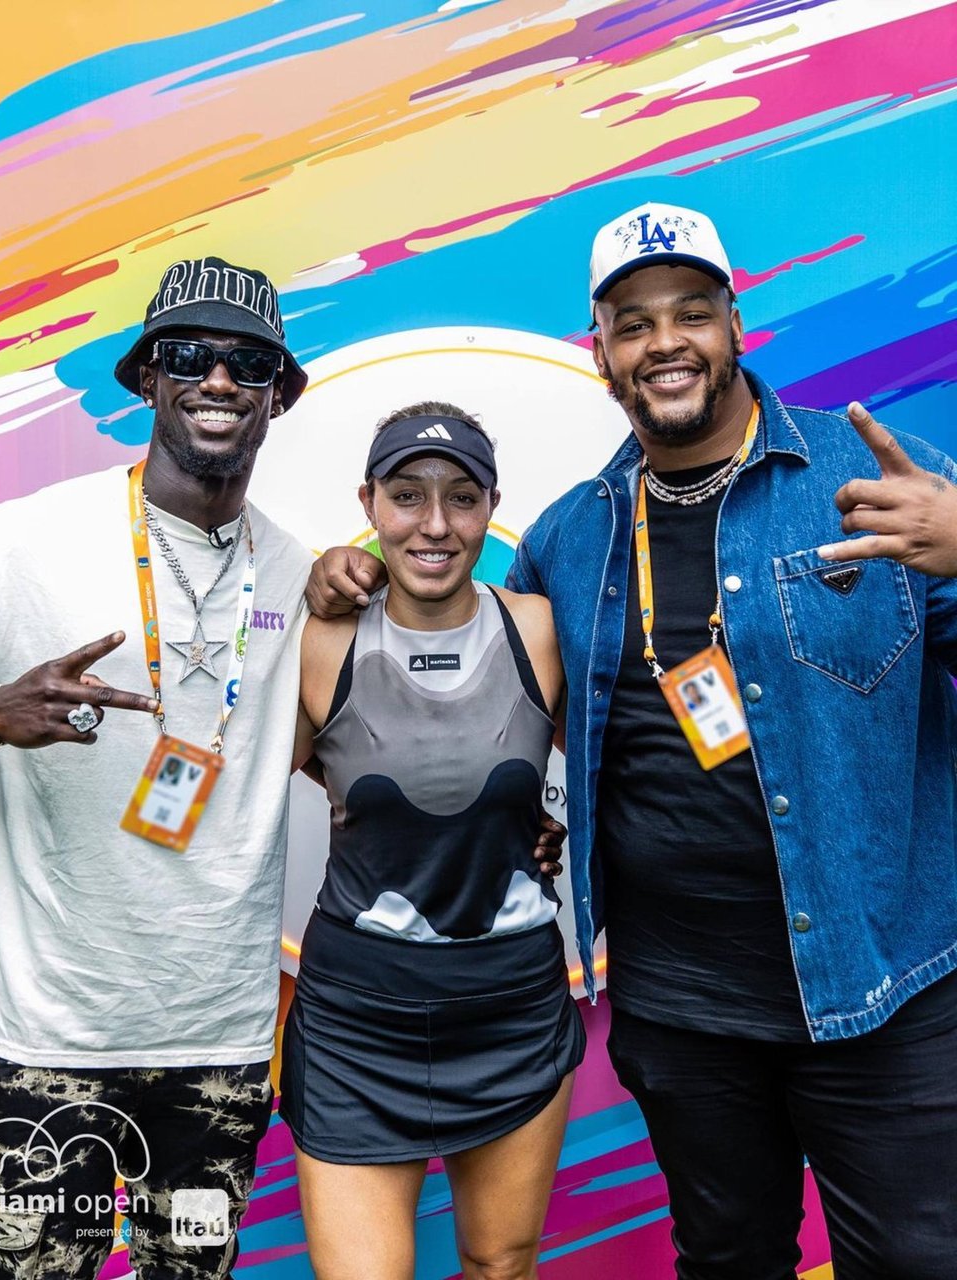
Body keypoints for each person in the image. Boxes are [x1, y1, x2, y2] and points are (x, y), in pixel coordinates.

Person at [305, 203, 957, 1279]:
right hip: (680, 1007)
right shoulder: (570, 534)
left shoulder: (873, 475)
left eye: (690, 313)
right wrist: (345, 576)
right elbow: (468, 691)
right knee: (724, 1259)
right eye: (633, 322)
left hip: (880, 992)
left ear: (734, 323)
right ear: (600, 351)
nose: (665, 342)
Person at [0, 256, 316, 1280]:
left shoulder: (305, 573)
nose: (219, 381)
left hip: (217, 1044)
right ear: (146, 378)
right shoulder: (14, 543)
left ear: (281, 393)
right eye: (188, 356)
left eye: (249, 363)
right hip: (44, 1032)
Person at [282, 403, 586, 1280]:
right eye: (407, 495)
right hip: (356, 1022)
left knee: (500, 1264)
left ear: (492, 507)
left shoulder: (537, 628)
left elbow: (624, 767)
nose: (435, 524)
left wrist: (549, 820)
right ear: (369, 502)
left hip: (511, 1009)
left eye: (461, 497)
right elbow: (244, 789)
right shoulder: (323, 636)